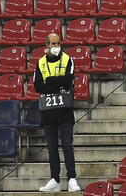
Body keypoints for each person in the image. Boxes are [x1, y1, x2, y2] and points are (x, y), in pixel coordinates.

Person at [34, 33, 81, 193]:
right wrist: (57, 85)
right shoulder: (40, 63)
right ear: (46, 45)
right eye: (53, 43)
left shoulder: (68, 59)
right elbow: (38, 86)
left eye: (58, 43)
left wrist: (50, 81)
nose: (56, 46)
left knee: (67, 145)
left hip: (64, 110)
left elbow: (68, 81)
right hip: (48, 111)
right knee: (52, 147)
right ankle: (55, 179)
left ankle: (72, 179)